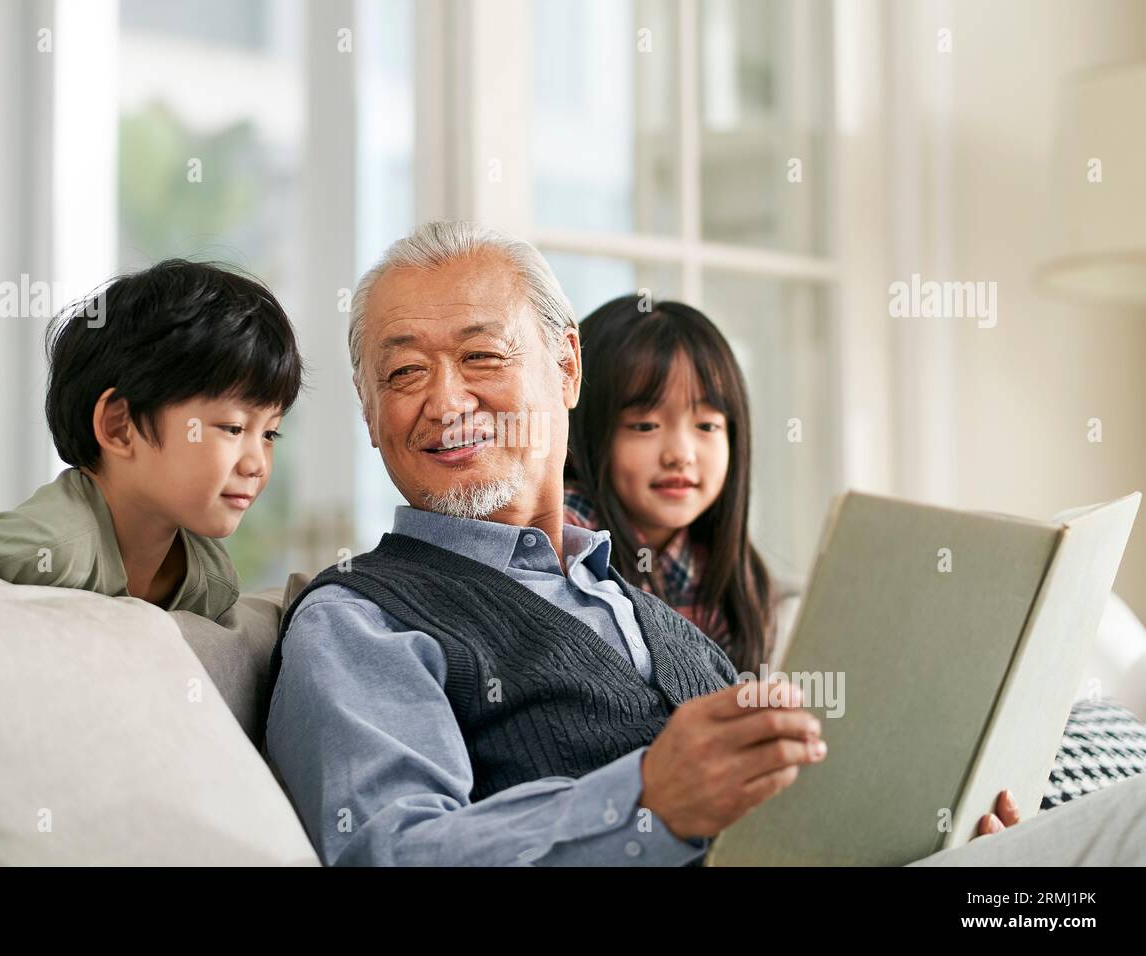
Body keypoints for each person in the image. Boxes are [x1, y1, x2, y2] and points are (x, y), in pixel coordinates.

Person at [264, 220, 1033, 866]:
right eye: (402, 372)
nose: (446, 398)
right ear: (370, 415)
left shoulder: (631, 601)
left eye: (482, 356)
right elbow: (393, 855)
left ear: (566, 370)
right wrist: (645, 801)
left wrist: (940, 845)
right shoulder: (359, 622)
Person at [0, 259, 303, 621]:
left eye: (269, 433)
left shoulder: (211, 578)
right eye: (232, 429)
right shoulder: (52, 547)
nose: (257, 463)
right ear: (119, 426)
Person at [565, 293, 773, 676]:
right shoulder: (565, 537)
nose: (681, 454)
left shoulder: (727, 572)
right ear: (583, 434)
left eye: (707, 425)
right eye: (645, 426)